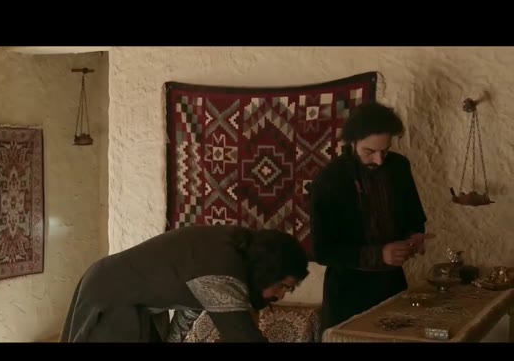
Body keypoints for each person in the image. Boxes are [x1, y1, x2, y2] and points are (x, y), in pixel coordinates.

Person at [59, 225, 310, 342]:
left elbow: (188, 306)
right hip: (112, 293)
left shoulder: (232, 256)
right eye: (284, 285)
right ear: (269, 270)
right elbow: (243, 336)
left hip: (127, 296)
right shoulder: (223, 269)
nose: (281, 295)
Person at [308, 102, 430, 334]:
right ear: (352, 142)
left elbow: (414, 216)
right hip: (347, 294)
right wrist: (379, 254)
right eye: (369, 152)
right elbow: (322, 251)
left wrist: (415, 235)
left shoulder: (399, 167)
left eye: (385, 151)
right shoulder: (329, 180)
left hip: (392, 286)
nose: (379, 160)